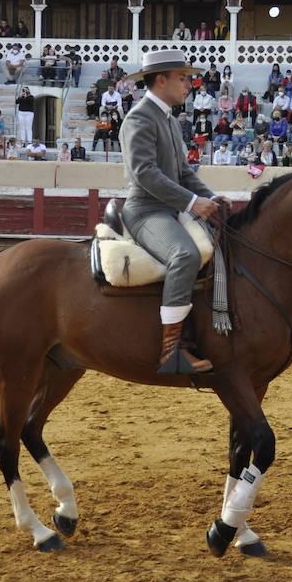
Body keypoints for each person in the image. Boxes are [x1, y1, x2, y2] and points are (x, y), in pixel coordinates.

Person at [120, 50, 223, 374]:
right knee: (185, 256)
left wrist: (211, 197)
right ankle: (171, 352)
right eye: (183, 78)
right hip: (146, 211)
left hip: (168, 209)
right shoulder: (139, 117)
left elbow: (183, 172)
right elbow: (145, 173)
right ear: (161, 80)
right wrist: (193, 203)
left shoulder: (167, 119)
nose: (189, 85)